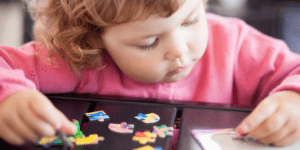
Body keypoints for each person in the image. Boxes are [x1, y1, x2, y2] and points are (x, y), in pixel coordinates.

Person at [1, 0, 300, 149]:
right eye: (149, 43)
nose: (180, 51)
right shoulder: (82, 58)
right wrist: (10, 97)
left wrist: (293, 99)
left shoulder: (235, 45)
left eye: (191, 21)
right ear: (94, 38)